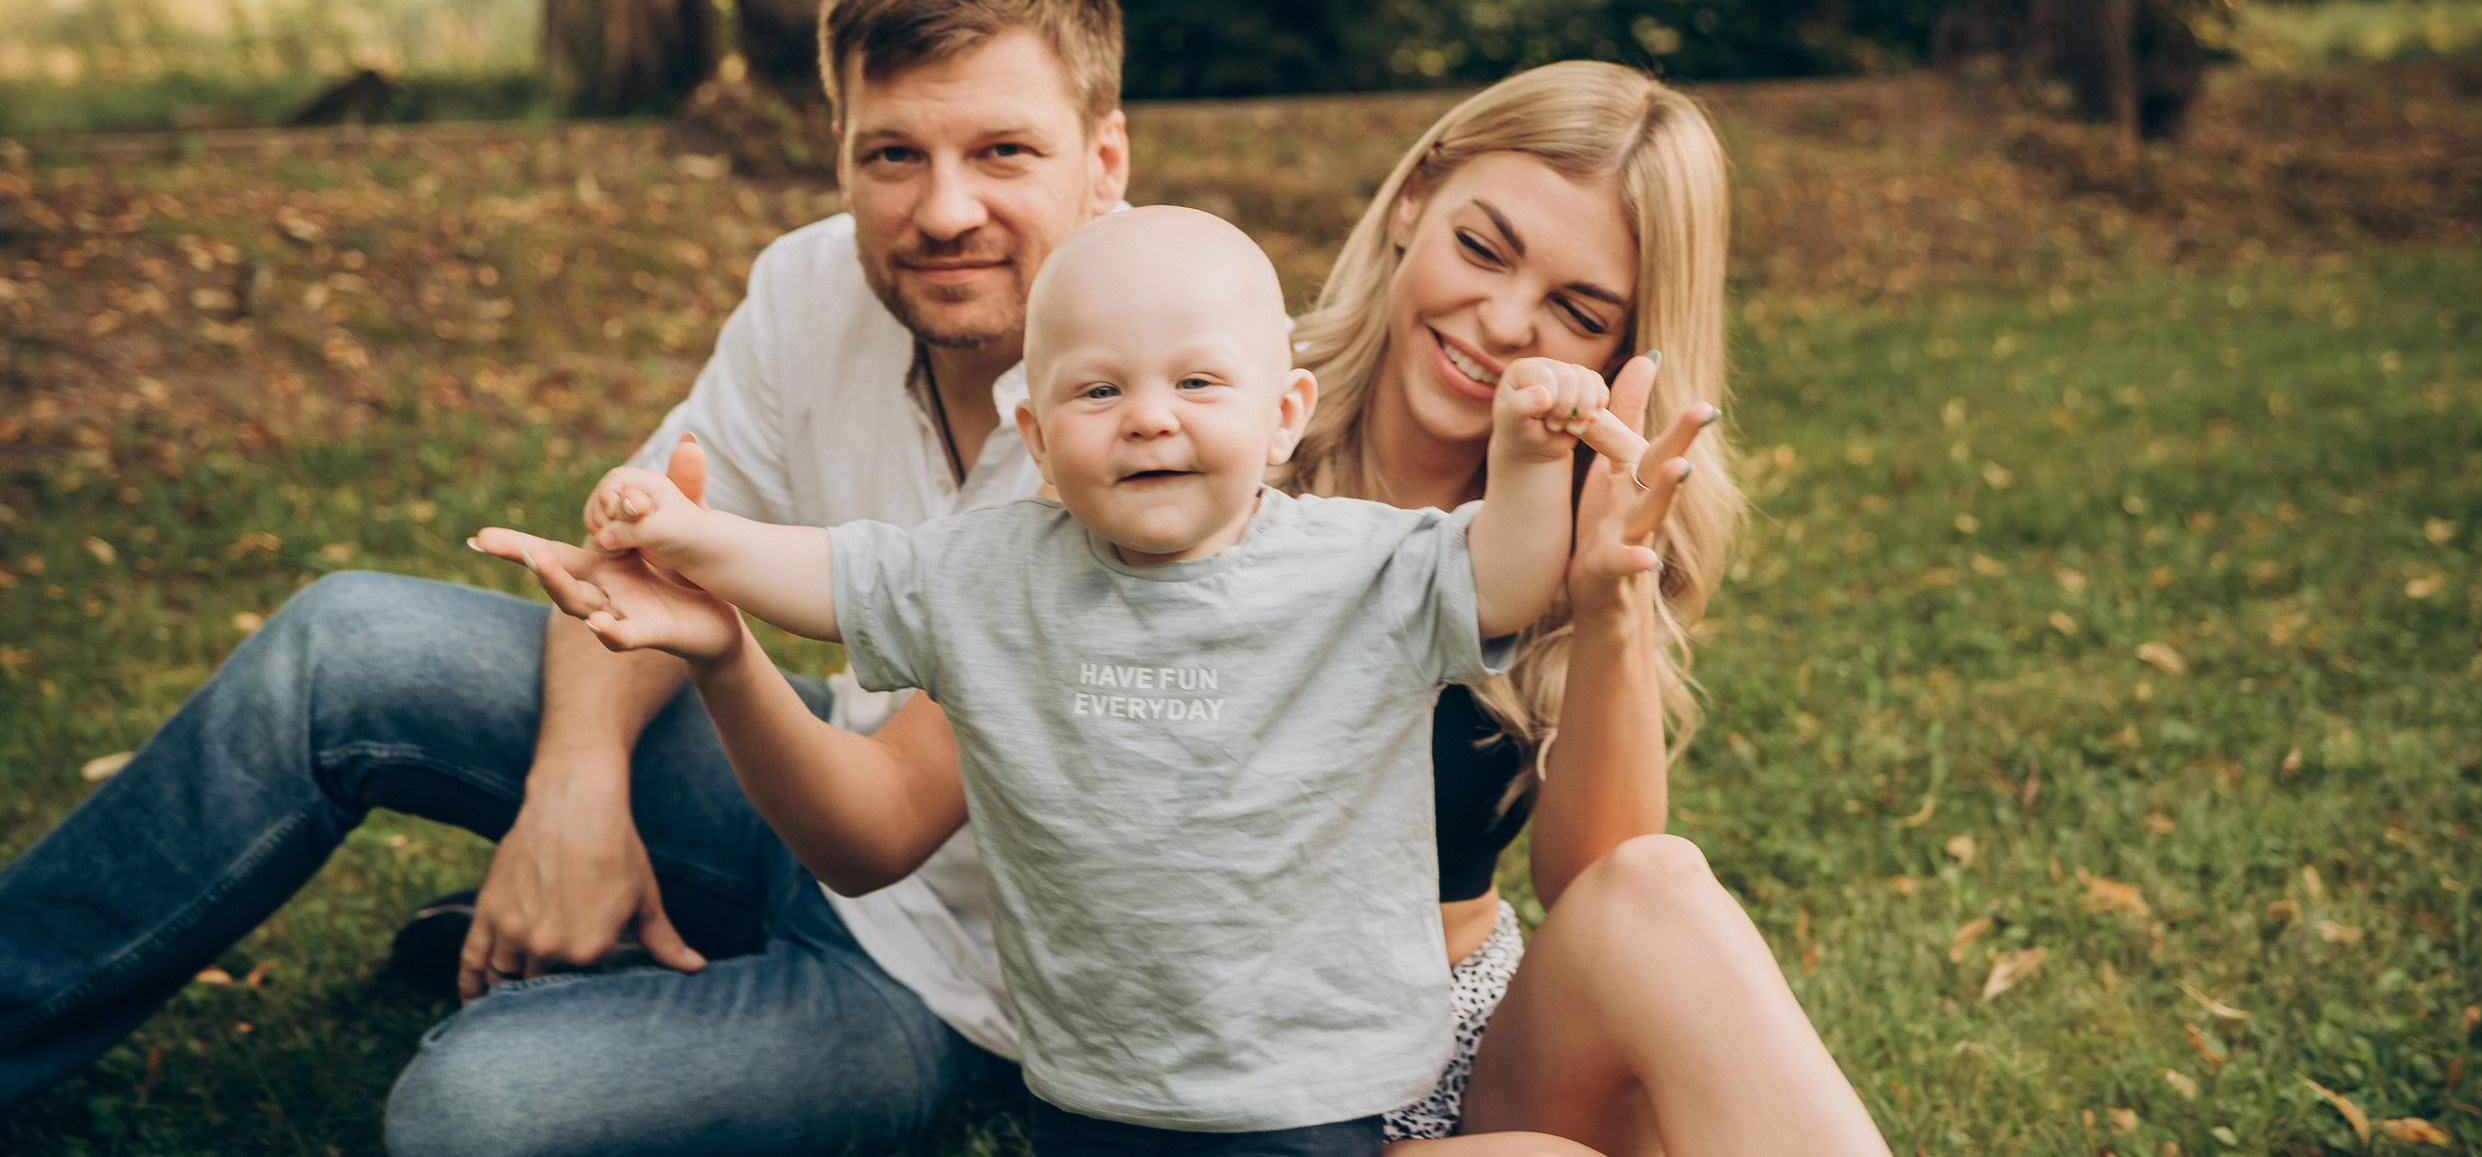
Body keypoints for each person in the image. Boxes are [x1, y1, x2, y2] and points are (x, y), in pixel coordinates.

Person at [0, 0, 1138, 1155]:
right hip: (801, 774)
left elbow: (878, 832)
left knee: (473, 1110)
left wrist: (708, 664)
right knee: (346, 640)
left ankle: (616, 962)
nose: (942, 210)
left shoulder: (1157, 408)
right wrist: (576, 788)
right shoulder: (815, 281)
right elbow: (642, 557)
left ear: (1105, 163)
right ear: (839, 153)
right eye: (891, 156)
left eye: (1004, 152)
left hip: (950, 973)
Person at [789, 62, 1892, 1156]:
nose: (1503, 320)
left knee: (1660, 880)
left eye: (1575, 307)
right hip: (1270, 1086)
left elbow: (1592, 884)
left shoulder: (1573, 508)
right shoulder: (1184, 425)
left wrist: (1608, 604)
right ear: (1413, 199)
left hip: (1479, 1033)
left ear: (1624, 344)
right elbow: (909, 790)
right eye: (1482, 247)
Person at [476, 205, 1672, 1156]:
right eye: (1099, 390)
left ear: (1281, 416)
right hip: (1093, 1070)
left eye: (1197, 384)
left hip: (1301, 1076)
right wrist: (689, 540)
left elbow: (1509, 580)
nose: (1147, 417)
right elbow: (835, 572)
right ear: (1040, 441)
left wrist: (1523, 453)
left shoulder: (1356, 565)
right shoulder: (994, 570)